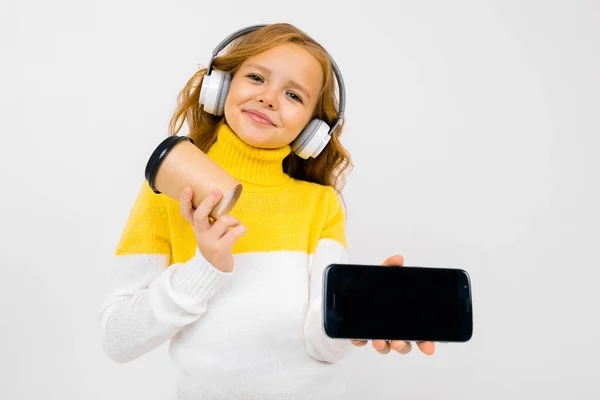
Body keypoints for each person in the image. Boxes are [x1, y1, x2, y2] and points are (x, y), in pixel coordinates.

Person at [98, 23, 434, 399]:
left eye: (293, 94)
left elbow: (323, 347)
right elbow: (116, 339)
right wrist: (204, 268)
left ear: (313, 131)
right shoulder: (167, 189)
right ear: (219, 86)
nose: (270, 98)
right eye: (256, 77)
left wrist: (355, 316)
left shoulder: (320, 205)